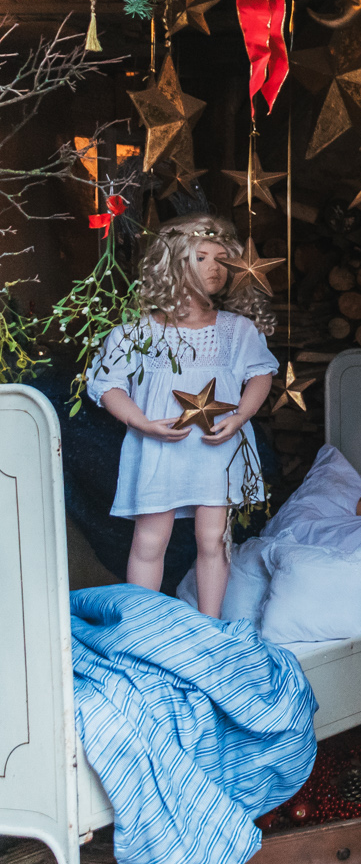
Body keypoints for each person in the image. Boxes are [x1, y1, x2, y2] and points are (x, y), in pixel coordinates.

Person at [86, 213, 277, 617]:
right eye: (202, 257)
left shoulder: (235, 330)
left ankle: (209, 625)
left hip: (218, 449)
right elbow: (107, 385)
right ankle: (142, 626)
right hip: (159, 449)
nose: (215, 268)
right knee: (150, 539)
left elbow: (261, 373)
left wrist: (240, 417)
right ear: (173, 263)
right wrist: (141, 422)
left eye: (222, 260)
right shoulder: (136, 333)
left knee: (213, 539)